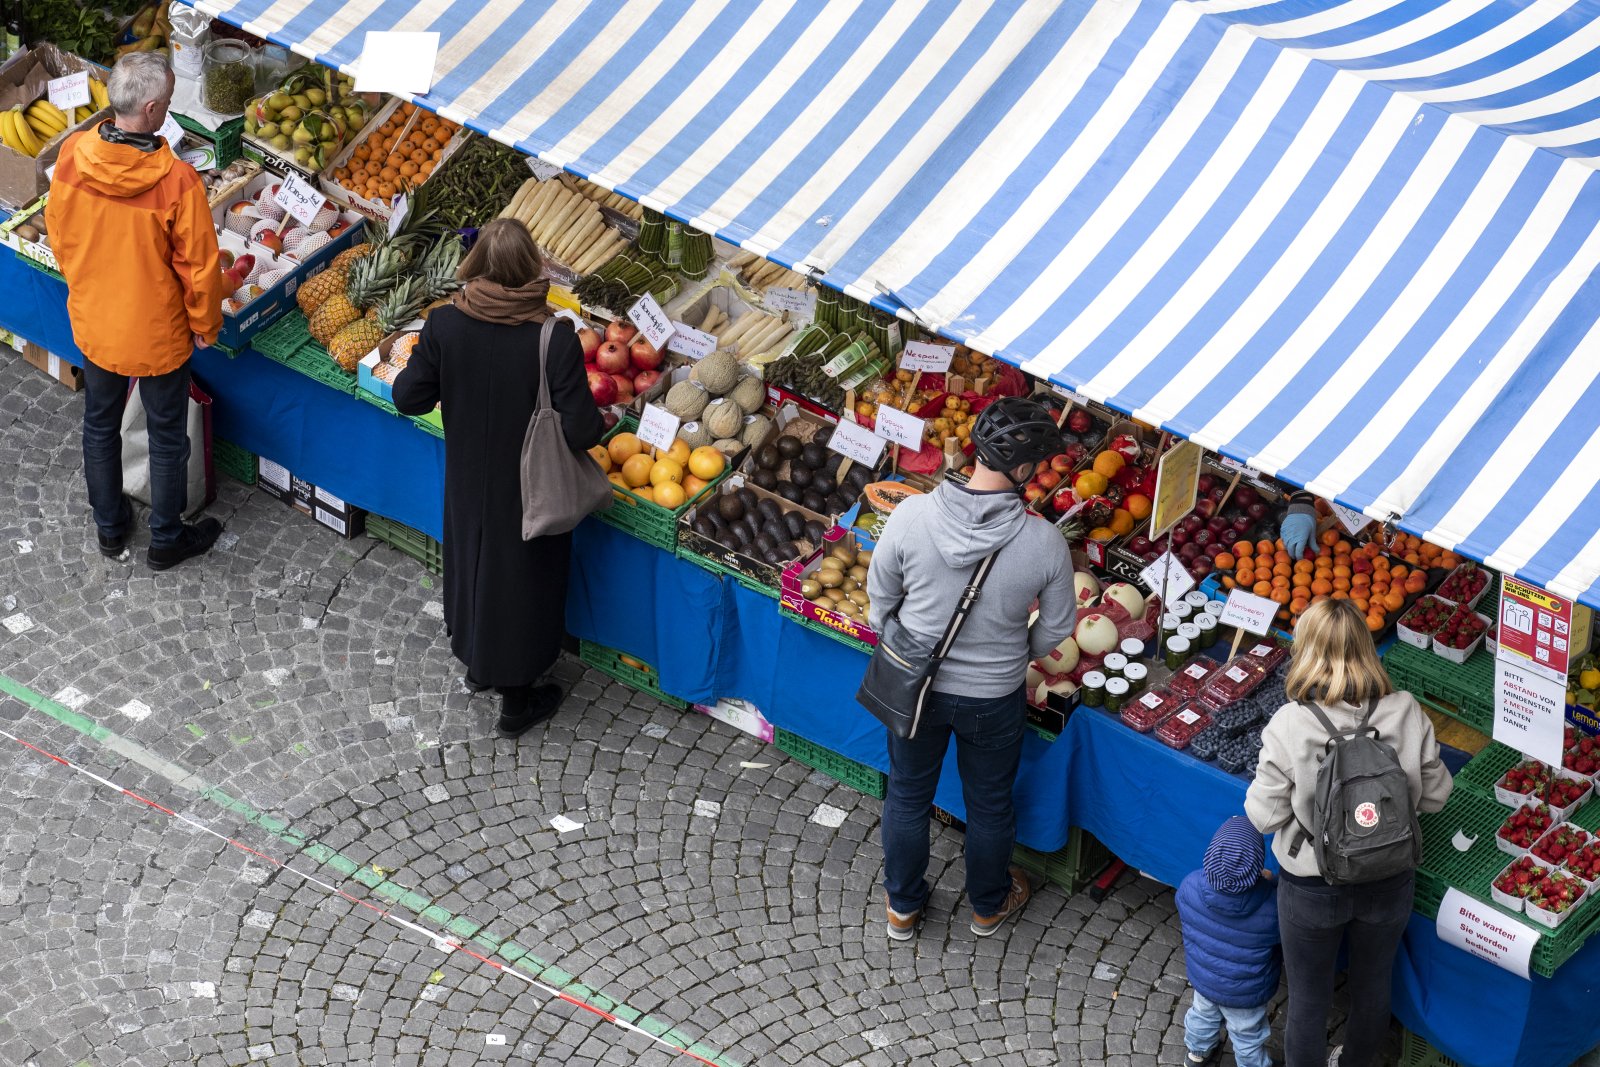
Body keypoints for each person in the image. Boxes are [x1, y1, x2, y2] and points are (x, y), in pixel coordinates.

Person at [867, 396, 1077, 940]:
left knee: (908, 795)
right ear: (1025, 470)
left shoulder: (911, 515)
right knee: (989, 805)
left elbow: (879, 597)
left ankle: (902, 909)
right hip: (994, 697)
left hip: (915, 687)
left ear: (976, 450)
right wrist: (1015, 652)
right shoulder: (1045, 542)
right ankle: (987, 907)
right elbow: (1057, 628)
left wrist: (904, 638)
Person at [393, 219, 605, 738]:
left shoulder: (445, 324)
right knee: (523, 583)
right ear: (532, 267)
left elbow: (408, 397)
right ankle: (517, 701)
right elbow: (581, 430)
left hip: (468, 480)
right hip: (531, 487)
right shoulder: (554, 338)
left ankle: (478, 665)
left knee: (473, 566)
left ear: (477, 264)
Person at [1245, 599, 1453, 1067]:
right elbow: (1437, 795)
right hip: (1389, 875)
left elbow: (1264, 816)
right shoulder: (1406, 710)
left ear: (1304, 650)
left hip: (1311, 883)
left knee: (1308, 997)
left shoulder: (1290, 723)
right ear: (1367, 645)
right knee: (1374, 984)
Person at [46, 51, 224, 570]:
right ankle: (166, 538)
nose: (168, 107)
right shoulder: (178, 183)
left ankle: (109, 527)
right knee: (167, 438)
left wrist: (88, 286)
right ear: (150, 110)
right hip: (156, 333)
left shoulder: (75, 153)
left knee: (99, 425)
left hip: (96, 321)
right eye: (167, 101)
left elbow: (59, 232)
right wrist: (205, 325)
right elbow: (199, 267)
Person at [1176, 816, 1281, 1067]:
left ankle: (1196, 1055)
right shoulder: (1271, 907)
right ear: (1257, 866)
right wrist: (1271, 882)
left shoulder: (1190, 886)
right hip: (1245, 990)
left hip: (1204, 978)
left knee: (1201, 1016)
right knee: (1247, 1034)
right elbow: (1280, 937)